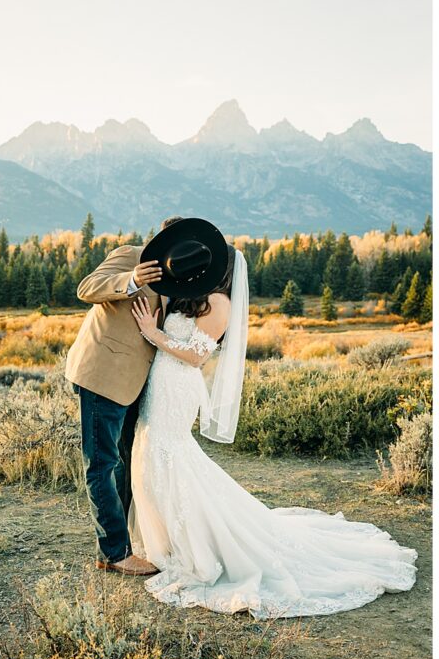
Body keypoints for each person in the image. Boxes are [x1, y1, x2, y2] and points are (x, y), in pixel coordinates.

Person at [128, 218, 417, 618]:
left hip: (178, 385)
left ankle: (194, 547)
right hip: (161, 380)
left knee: (170, 452)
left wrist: (152, 333)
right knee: (150, 450)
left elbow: (197, 356)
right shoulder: (187, 296)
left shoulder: (220, 304)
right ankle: (165, 542)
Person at [64, 216, 184, 576]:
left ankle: (122, 544)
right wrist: (132, 281)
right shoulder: (129, 256)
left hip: (137, 382)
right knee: (101, 464)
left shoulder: (179, 278)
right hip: (102, 374)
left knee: (127, 461)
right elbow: (88, 287)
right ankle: (114, 553)